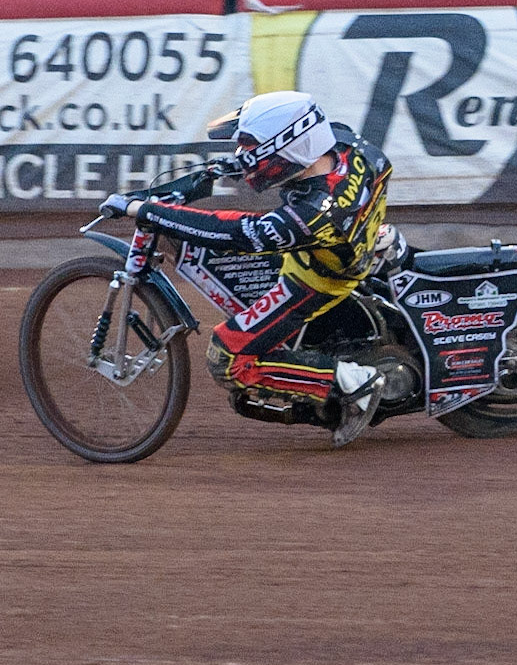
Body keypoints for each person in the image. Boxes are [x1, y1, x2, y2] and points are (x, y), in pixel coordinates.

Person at [100, 90, 395, 447]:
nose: (244, 156)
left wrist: (147, 212)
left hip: (318, 280)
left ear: (287, 147)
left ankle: (350, 382)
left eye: (252, 149)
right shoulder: (344, 142)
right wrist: (232, 167)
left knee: (225, 356)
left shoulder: (312, 213)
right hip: (356, 236)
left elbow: (236, 232)